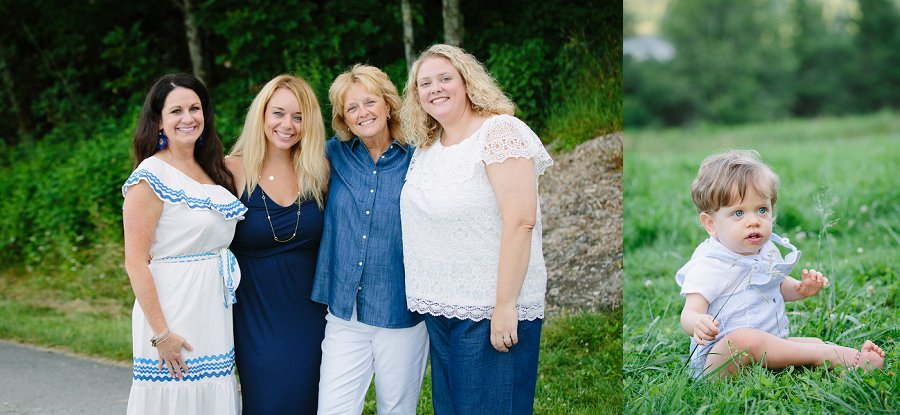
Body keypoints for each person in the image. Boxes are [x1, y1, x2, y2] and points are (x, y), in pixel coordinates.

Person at [399, 44, 554, 414]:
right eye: (425, 83)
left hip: (489, 308)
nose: (435, 88)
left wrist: (504, 306)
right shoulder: (429, 147)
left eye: (444, 78)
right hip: (442, 308)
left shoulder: (500, 132)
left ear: (467, 82)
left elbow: (521, 221)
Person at [677, 150, 886, 378]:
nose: (754, 221)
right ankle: (829, 356)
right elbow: (689, 313)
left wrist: (799, 288)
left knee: (809, 342)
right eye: (738, 213)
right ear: (711, 224)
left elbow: (772, 284)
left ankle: (846, 362)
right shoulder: (710, 265)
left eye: (762, 210)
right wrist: (698, 322)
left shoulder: (765, 251)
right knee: (745, 339)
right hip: (719, 361)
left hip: (766, 347)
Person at [122, 73, 245, 414]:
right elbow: (135, 263)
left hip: (213, 310)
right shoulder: (151, 176)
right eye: (176, 111)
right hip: (172, 312)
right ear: (159, 122)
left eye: (195, 108)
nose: (188, 118)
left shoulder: (212, 171)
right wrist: (162, 334)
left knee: (212, 395)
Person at [312, 64, 429, 414]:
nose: (363, 113)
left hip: (401, 311)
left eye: (369, 102)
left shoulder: (420, 156)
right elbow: (279, 159)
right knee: (333, 408)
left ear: (387, 103)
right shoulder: (333, 155)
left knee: (397, 409)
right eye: (352, 108)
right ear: (343, 119)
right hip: (345, 312)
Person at [225, 74, 329, 413]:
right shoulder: (231, 170)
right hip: (254, 315)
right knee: (266, 401)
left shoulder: (320, 169)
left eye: (298, 117)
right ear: (262, 115)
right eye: (279, 113)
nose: (288, 125)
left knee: (309, 401)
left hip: (311, 315)